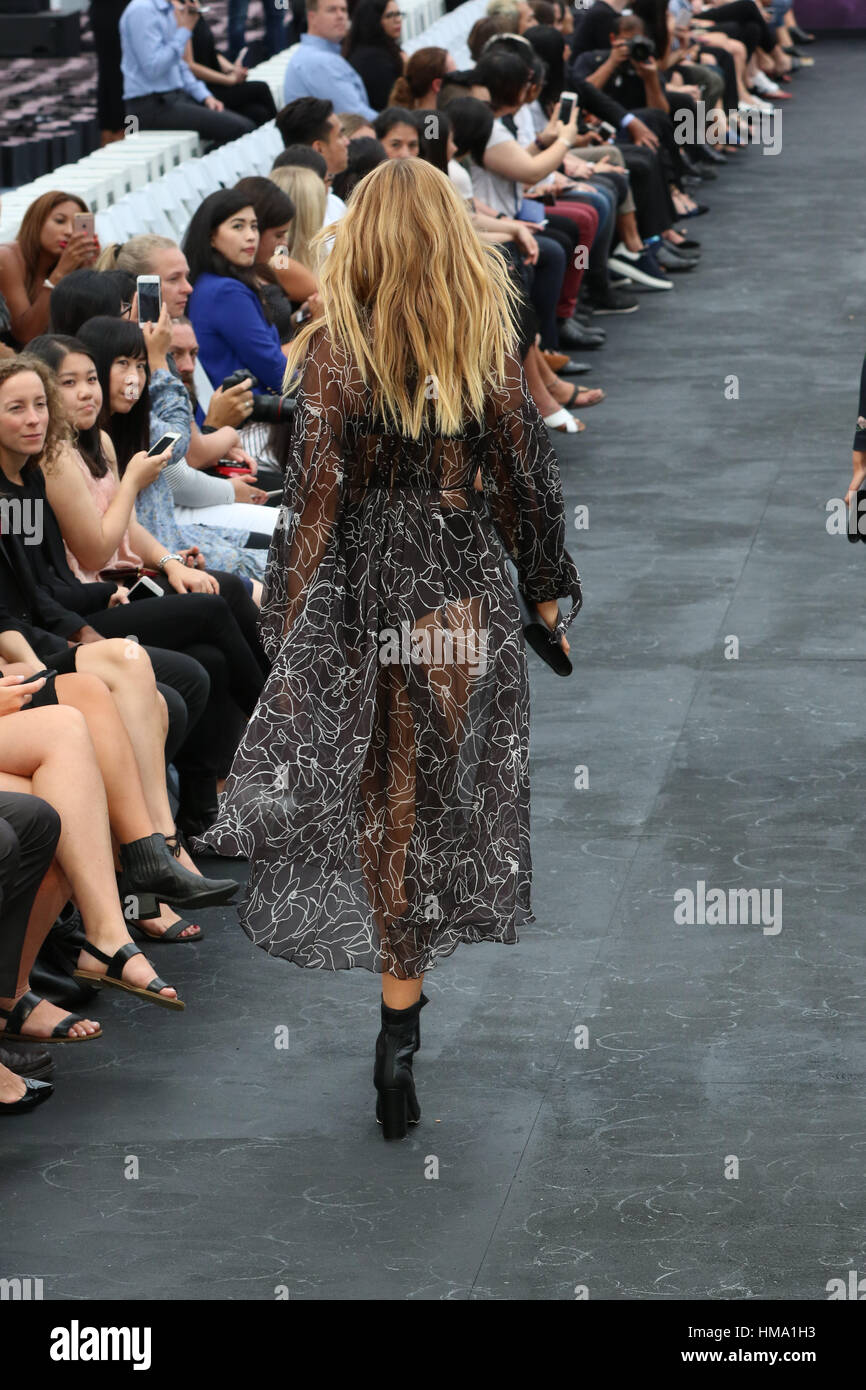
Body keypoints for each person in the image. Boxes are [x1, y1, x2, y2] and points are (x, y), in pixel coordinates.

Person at [195, 158, 582, 1142]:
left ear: (358, 236)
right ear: (450, 233)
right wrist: (544, 596)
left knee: (386, 807)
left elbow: (310, 501)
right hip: (454, 585)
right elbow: (523, 482)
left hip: (365, 585)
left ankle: (396, 1013)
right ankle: (405, 1005)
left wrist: (289, 624)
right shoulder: (483, 336)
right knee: (434, 797)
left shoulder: (329, 349)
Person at [184, 190, 293, 396]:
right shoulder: (226, 293)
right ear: (211, 237)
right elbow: (273, 369)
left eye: (254, 226)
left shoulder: (212, 282)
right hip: (247, 419)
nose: (251, 236)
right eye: (238, 226)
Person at [119, 0, 256, 146]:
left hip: (173, 98)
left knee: (253, 116)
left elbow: (180, 65)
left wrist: (205, 96)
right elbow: (153, 68)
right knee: (242, 129)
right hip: (149, 107)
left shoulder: (167, 8)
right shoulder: (141, 10)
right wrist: (184, 30)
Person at [0, 192, 99, 348]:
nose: (69, 231)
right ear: (37, 222)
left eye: (76, 226)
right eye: (60, 221)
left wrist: (86, 270)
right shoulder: (7, 257)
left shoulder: (67, 263)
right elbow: (26, 335)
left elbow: (85, 328)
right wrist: (60, 273)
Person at [282, 0, 377, 120]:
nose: (340, 16)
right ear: (312, 17)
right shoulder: (319, 61)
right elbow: (355, 117)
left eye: (343, 10)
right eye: (332, 10)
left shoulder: (319, 55)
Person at [186, 10, 279, 126]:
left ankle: (280, 138)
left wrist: (233, 70)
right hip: (202, 89)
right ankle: (285, 138)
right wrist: (229, 80)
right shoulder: (180, 16)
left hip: (215, 81)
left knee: (259, 113)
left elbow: (211, 51)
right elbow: (190, 66)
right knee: (261, 89)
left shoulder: (193, 8)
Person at [275, 98, 351, 226]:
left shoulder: (334, 203)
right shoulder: (293, 213)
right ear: (319, 148)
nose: (347, 142)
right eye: (340, 135)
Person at [344, 0, 405, 113]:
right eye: (389, 15)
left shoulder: (385, 49)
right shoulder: (373, 60)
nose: (397, 20)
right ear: (374, 20)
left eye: (398, 14)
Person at [388, 46, 455, 109]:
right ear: (438, 85)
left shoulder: (409, 118)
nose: (459, 79)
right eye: (455, 76)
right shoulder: (436, 119)